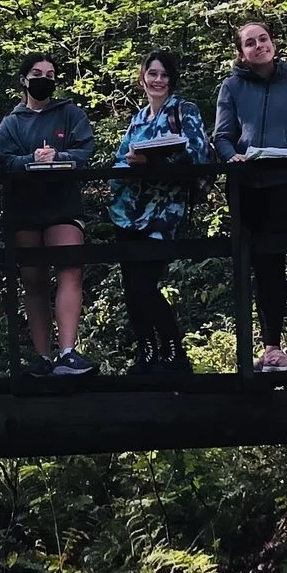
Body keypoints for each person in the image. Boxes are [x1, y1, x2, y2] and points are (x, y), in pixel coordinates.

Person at [213, 18, 287, 371]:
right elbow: (222, 136)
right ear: (241, 53)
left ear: (273, 43)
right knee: (245, 262)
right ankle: (245, 354)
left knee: (273, 263)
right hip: (244, 184)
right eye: (250, 42)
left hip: (282, 185)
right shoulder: (231, 87)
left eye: (264, 39)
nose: (259, 45)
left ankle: (273, 348)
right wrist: (233, 157)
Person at [0, 53, 97, 376]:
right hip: (24, 207)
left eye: (51, 74)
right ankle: (43, 357)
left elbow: (85, 151)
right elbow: (2, 160)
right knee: (33, 280)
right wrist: (30, 159)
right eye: (37, 73)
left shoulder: (70, 113)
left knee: (70, 269)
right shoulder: (11, 122)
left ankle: (68, 352)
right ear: (24, 79)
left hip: (62, 203)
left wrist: (59, 156)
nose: (44, 78)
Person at [108, 50, 210, 377]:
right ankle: (147, 356)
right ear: (143, 77)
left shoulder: (184, 111)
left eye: (164, 74)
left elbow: (195, 154)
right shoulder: (138, 119)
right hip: (128, 213)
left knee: (145, 285)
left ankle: (174, 354)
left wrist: (151, 162)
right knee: (131, 288)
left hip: (164, 210)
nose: (158, 80)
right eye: (152, 73)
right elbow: (121, 160)